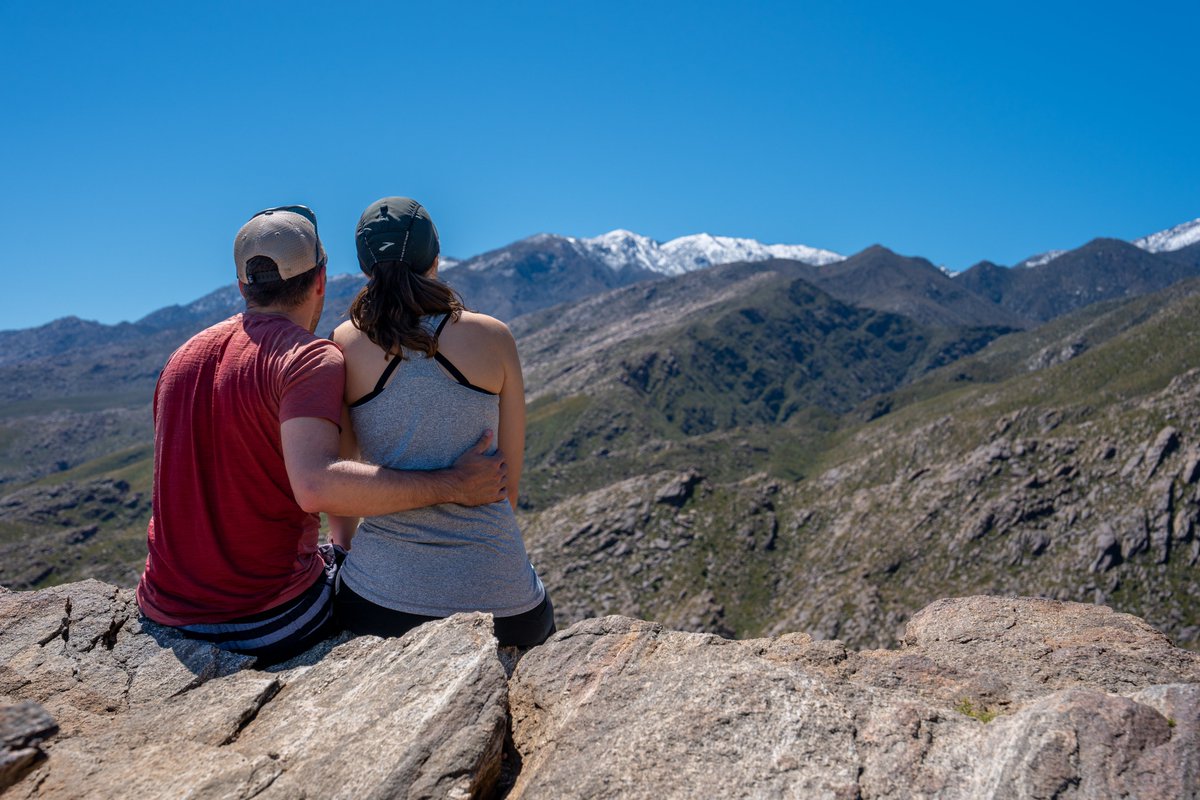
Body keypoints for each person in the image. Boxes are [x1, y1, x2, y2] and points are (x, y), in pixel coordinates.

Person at [136, 204, 508, 665]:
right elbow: (315, 486)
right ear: (320, 280)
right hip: (268, 621)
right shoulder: (308, 358)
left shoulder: (182, 357)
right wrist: (453, 483)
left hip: (163, 610)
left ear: (242, 287)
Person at [330, 196, 554, 647]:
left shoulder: (346, 342)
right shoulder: (493, 336)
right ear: (435, 257)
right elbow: (506, 488)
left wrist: (347, 551)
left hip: (381, 599)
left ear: (364, 267)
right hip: (505, 604)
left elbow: (342, 480)